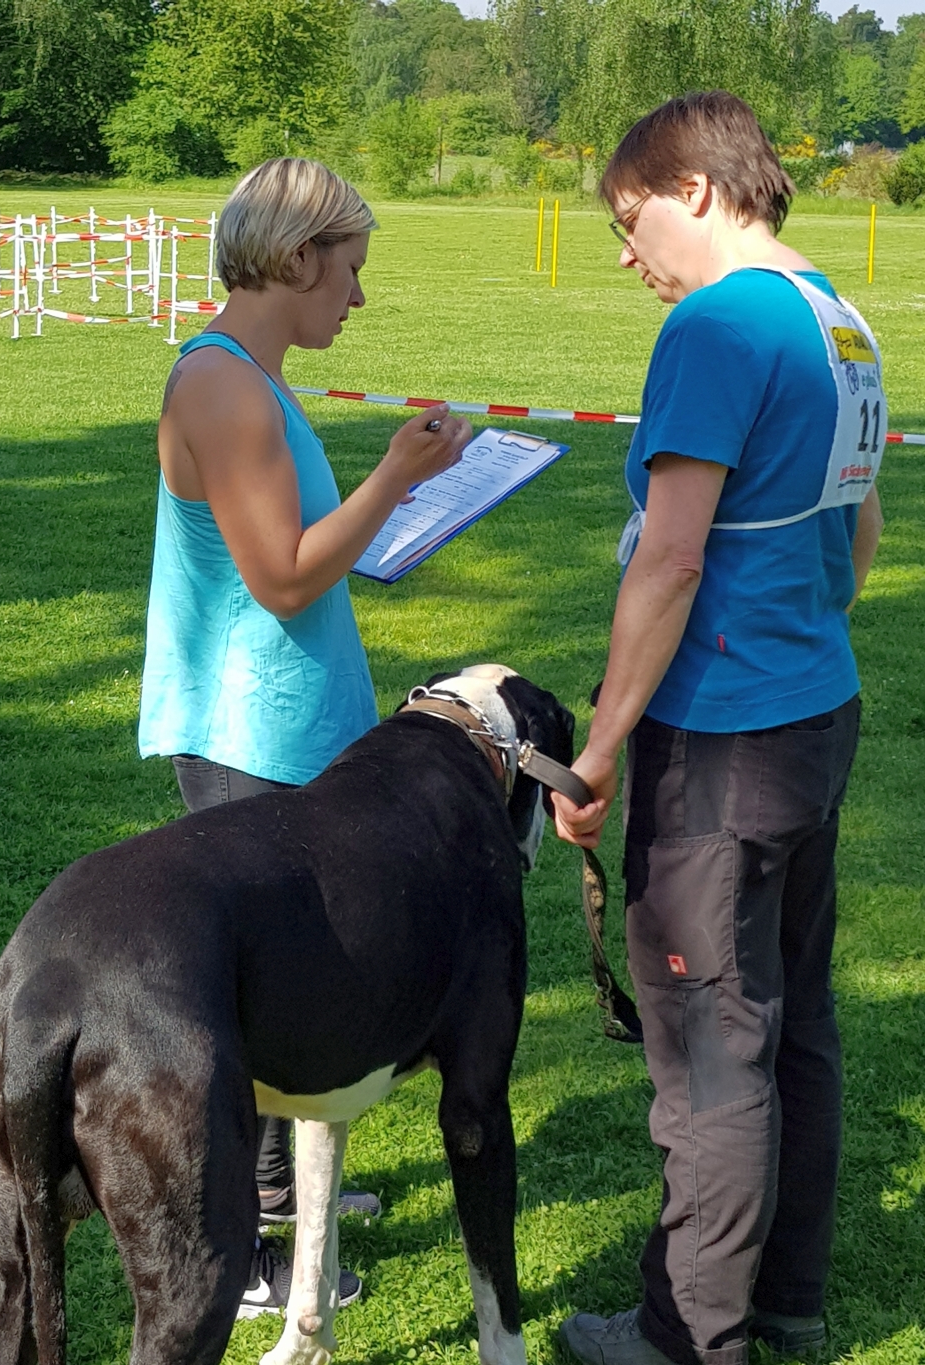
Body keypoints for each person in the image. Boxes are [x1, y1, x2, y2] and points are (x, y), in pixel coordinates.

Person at [552, 92, 885, 1365]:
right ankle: (786, 1297)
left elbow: (671, 559)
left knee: (709, 1046)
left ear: (694, 190)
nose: (626, 255)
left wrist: (596, 749)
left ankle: (687, 1335)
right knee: (792, 1018)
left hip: (724, 739)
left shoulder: (715, 323)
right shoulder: (837, 316)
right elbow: (858, 532)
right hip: (813, 708)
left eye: (630, 219)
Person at [138, 157, 472, 1317]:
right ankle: (246, 1252)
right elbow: (280, 578)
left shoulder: (255, 381)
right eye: (350, 271)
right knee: (259, 996)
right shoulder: (222, 386)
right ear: (294, 259)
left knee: (294, 973)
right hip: (248, 733)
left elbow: (298, 549)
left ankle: (283, 1194)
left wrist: (396, 501)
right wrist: (396, 476)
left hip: (290, 725)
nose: (358, 298)